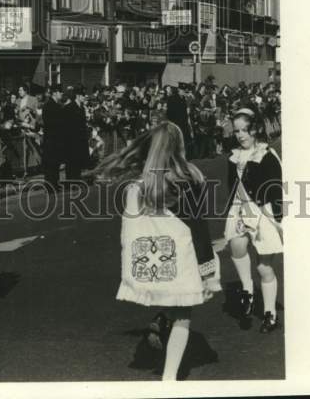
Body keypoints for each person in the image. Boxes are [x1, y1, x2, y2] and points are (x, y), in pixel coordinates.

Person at [98, 121, 220, 381]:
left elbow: (130, 230)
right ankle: (169, 378)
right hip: (184, 257)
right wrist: (209, 271)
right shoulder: (188, 178)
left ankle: (162, 319)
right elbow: (198, 229)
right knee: (184, 316)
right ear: (179, 146)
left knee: (173, 303)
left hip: (157, 259)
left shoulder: (139, 184)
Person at [224, 107, 283, 332]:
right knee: (236, 246)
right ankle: (247, 291)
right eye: (237, 131)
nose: (240, 135)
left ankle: (270, 314)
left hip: (264, 211)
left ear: (255, 130)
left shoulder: (265, 154)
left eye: (245, 131)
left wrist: (278, 218)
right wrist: (233, 209)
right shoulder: (233, 156)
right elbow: (232, 185)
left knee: (264, 267)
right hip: (242, 208)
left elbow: (277, 187)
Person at [41, 85, 66, 189]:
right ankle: (51, 184)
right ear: (55, 93)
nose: (61, 94)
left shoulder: (54, 105)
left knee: (55, 162)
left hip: (53, 138)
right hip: (52, 139)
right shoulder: (51, 106)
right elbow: (52, 123)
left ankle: (54, 183)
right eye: (60, 93)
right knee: (52, 163)